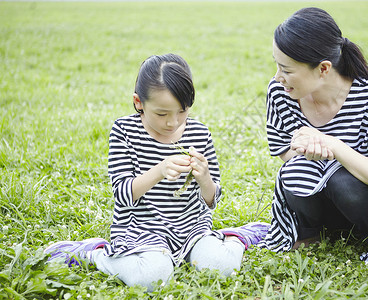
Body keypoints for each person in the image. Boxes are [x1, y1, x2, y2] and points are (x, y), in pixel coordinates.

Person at [44, 54, 269, 291]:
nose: (173, 123)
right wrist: (159, 170)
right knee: (152, 279)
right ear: (139, 102)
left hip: (191, 229)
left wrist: (205, 178)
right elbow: (122, 194)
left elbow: (212, 200)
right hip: (141, 229)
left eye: (182, 111)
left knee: (221, 268)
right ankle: (94, 253)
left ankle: (237, 238)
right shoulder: (125, 132)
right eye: (162, 114)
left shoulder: (200, 133)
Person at [257, 7, 368, 263]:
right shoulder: (281, 93)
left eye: (287, 70)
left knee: (342, 181)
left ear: (324, 68)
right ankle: (316, 232)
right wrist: (303, 146)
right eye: (277, 65)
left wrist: (334, 146)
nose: (277, 77)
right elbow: (285, 151)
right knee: (294, 171)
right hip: (320, 202)